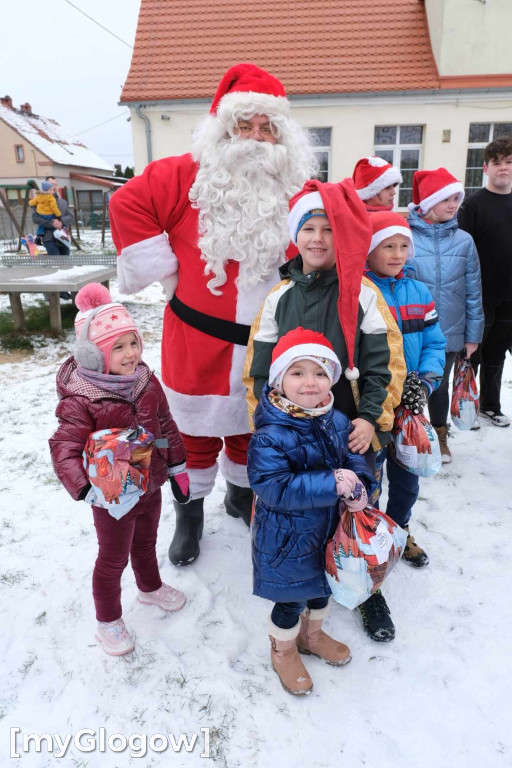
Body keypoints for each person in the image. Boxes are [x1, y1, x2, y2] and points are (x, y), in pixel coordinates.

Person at [109, 63, 318, 567]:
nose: (256, 138)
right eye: (244, 125)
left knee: (254, 429)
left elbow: (335, 232)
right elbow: (126, 204)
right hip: (196, 338)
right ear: (222, 128)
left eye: (267, 128)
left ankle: (241, 497)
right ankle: (190, 513)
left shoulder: (297, 186)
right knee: (193, 434)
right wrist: (167, 269)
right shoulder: (182, 175)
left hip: (269, 342)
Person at [245, 179, 407, 642]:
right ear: (295, 236)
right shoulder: (279, 297)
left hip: (347, 430)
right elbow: (259, 368)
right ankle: (295, 588)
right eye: (308, 229)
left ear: (342, 235)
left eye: (328, 229)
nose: (318, 239)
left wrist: (369, 419)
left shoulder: (363, 294)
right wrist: (270, 423)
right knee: (301, 512)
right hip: (293, 433)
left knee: (356, 505)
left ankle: (365, 589)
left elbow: (385, 362)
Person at [49, 283, 189, 656]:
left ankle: (150, 587)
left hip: (150, 484)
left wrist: (175, 463)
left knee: (146, 543)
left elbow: (164, 426)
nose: (130, 354)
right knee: (112, 558)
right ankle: (108, 619)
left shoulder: (145, 380)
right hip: (111, 495)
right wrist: (84, 488)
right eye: (118, 347)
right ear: (94, 355)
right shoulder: (83, 397)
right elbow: (64, 447)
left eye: (133, 343)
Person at [247, 327, 375, 695]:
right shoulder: (270, 434)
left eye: (320, 373)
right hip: (288, 538)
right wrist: (330, 485)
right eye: (298, 372)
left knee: (322, 591)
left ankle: (312, 636)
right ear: (279, 380)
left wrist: (359, 487)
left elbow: (354, 457)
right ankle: (283, 648)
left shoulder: (335, 420)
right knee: (291, 600)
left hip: (330, 533)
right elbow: (273, 486)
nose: (311, 383)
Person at [365, 212, 446, 589]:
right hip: (376, 406)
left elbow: (434, 342)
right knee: (371, 480)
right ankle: (370, 539)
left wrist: (426, 383)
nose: (398, 254)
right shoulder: (363, 292)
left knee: (407, 479)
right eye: (388, 246)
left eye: (403, 246)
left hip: (411, 405)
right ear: (369, 250)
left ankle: (400, 529)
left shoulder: (418, 292)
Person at [408, 168, 484, 460]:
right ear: (427, 203)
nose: (454, 205)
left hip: (450, 331)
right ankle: (408, 433)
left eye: (456, 198)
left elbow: (474, 291)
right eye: (446, 199)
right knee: (408, 384)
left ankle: (439, 436)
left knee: (437, 386)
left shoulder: (464, 241)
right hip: (412, 329)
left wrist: (473, 336)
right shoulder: (408, 237)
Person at [458, 136, 512, 427]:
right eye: (497, 163)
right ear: (485, 168)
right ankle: (466, 406)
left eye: (509, 162)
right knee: (472, 354)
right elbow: (463, 253)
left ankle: (491, 405)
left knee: (497, 355)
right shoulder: (472, 206)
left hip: (510, 297)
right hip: (480, 296)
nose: (503, 168)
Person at [31, 176, 74, 257]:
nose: (54, 187)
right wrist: (52, 224)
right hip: (48, 236)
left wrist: (61, 222)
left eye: (56, 184)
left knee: (66, 262)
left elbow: (70, 216)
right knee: (56, 262)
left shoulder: (62, 202)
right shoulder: (38, 201)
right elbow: (35, 218)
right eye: (51, 184)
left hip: (62, 236)